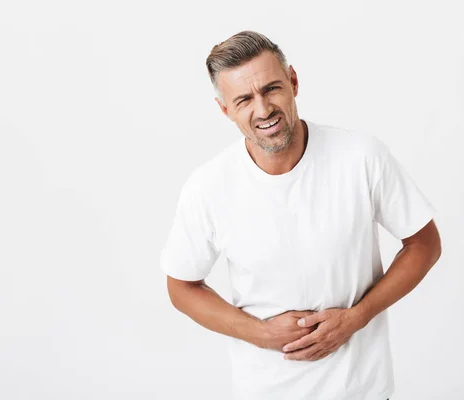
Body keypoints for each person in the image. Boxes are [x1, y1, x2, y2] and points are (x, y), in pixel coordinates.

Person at [160, 30, 442, 400]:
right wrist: (260, 333)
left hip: (362, 389)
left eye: (271, 89)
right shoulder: (208, 187)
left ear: (293, 81)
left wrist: (357, 317)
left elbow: (424, 244)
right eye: (244, 99)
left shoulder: (361, 157)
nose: (263, 110)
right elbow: (181, 287)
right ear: (225, 109)